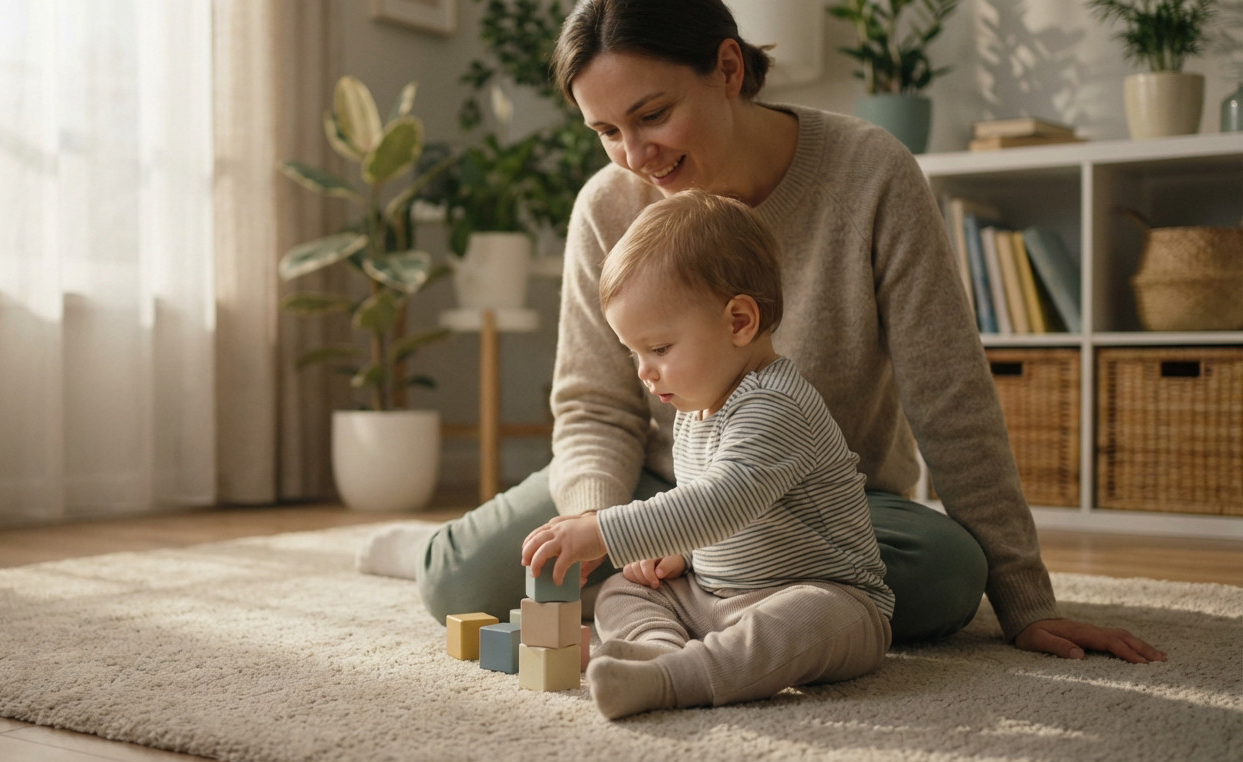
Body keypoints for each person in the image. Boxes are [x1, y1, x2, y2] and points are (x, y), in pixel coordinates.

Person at [414, 0, 1164, 664]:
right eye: (606, 130)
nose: (636, 155)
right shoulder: (608, 206)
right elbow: (595, 409)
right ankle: (723, 594)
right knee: (457, 580)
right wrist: (603, 522)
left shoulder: (871, 174)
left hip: (819, 503)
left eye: (652, 115)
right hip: (648, 485)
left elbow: (950, 397)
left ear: (729, 68)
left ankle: (688, 590)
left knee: (948, 574)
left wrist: (1028, 602)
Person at [521, 190, 893, 719]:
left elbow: (722, 502)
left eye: (661, 349)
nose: (644, 372)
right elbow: (708, 514)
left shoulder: (776, 406)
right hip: (716, 596)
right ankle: (655, 654)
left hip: (824, 596)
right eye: (635, 354)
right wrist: (682, 555)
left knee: (810, 617)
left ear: (739, 321)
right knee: (623, 590)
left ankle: (680, 678)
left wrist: (602, 529)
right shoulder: (699, 407)